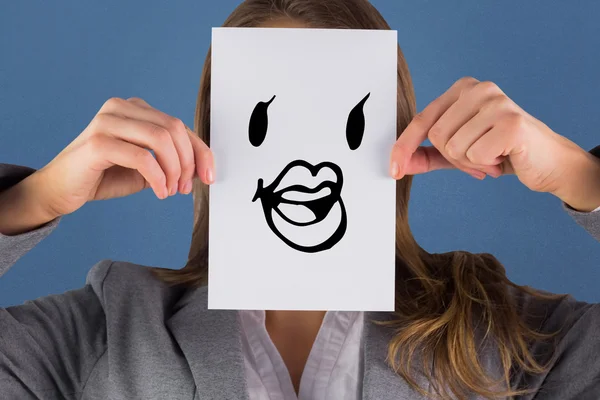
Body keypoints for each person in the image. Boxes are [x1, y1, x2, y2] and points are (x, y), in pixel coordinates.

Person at [1, 0, 599, 399]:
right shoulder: (109, 324)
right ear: (215, 135)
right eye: (265, 124)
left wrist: (582, 178)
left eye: (347, 124)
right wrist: (29, 201)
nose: (310, 162)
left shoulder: (498, 326)